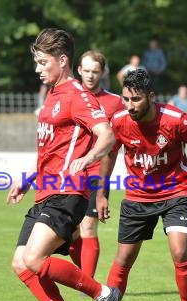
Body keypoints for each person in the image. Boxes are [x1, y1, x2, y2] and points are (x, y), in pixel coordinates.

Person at [6, 28, 120, 301]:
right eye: (37, 62)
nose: (38, 69)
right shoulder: (51, 94)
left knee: (34, 258)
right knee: (20, 263)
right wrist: (28, 178)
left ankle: (102, 293)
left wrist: (88, 158)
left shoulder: (76, 95)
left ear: (62, 60)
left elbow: (106, 136)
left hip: (68, 192)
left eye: (43, 62)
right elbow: (51, 150)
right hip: (46, 190)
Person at [96, 69, 187, 301]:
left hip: (176, 192)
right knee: (124, 258)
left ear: (151, 97)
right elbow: (109, 154)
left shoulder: (176, 119)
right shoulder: (118, 120)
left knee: (179, 252)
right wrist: (101, 193)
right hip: (137, 197)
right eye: (126, 99)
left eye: (136, 100)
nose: (130, 106)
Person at [70, 50, 124, 278]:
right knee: (69, 233)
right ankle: (84, 273)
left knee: (88, 226)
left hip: (97, 172)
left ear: (102, 73)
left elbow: (124, 133)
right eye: (87, 71)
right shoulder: (68, 96)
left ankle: (87, 283)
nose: (91, 76)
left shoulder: (115, 102)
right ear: (79, 71)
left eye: (96, 72)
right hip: (71, 172)